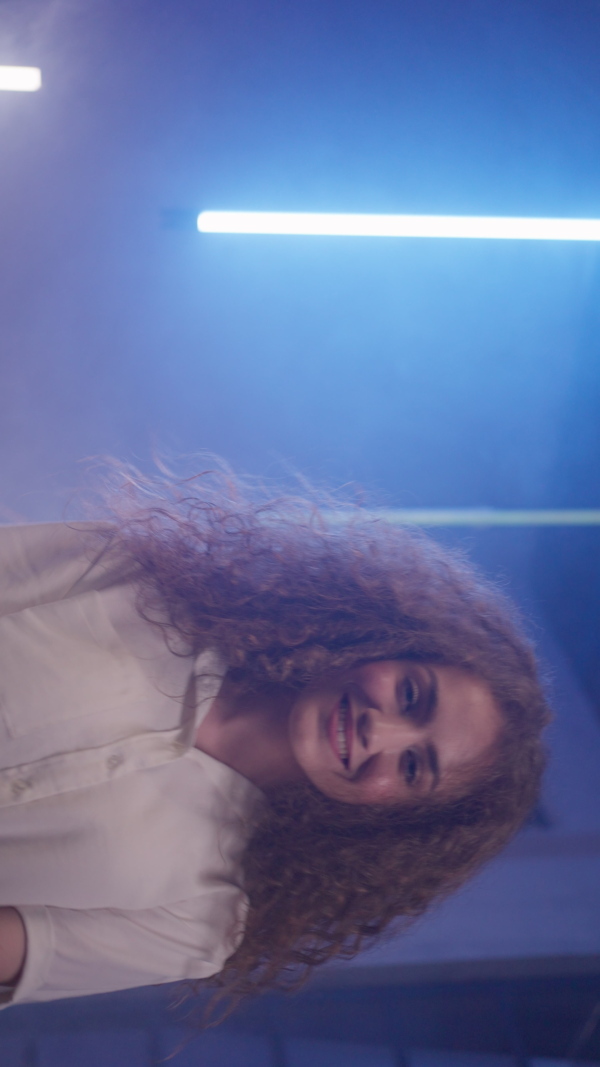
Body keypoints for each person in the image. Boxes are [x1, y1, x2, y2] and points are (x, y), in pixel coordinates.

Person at [0, 467, 550, 1011]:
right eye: (411, 695)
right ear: (388, 640)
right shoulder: (139, 583)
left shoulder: (205, 919)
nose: (378, 731)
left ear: (399, 817)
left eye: (412, 767)